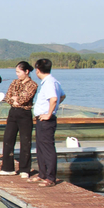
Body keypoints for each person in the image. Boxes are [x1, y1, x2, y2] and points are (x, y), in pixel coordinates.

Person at [0, 61, 38, 178]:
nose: (17, 74)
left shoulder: (33, 84)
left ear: (26, 72)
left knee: (25, 141)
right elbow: (8, 97)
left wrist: (16, 99)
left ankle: (25, 169)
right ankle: (8, 167)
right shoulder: (14, 82)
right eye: (16, 72)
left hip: (24, 113)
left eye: (19, 72)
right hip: (13, 112)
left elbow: (25, 99)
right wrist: (14, 99)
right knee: (8, 139)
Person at [29, 58, 66, 187]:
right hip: (41, 118)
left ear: (38, 70)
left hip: (46, 120)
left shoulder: (50, 82)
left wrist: (50, 113)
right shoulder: (52, 81)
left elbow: (54, 98)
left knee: (48, 148)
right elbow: (62, 96)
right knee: (40, 147)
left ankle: (51, 177)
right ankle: (42, 174)